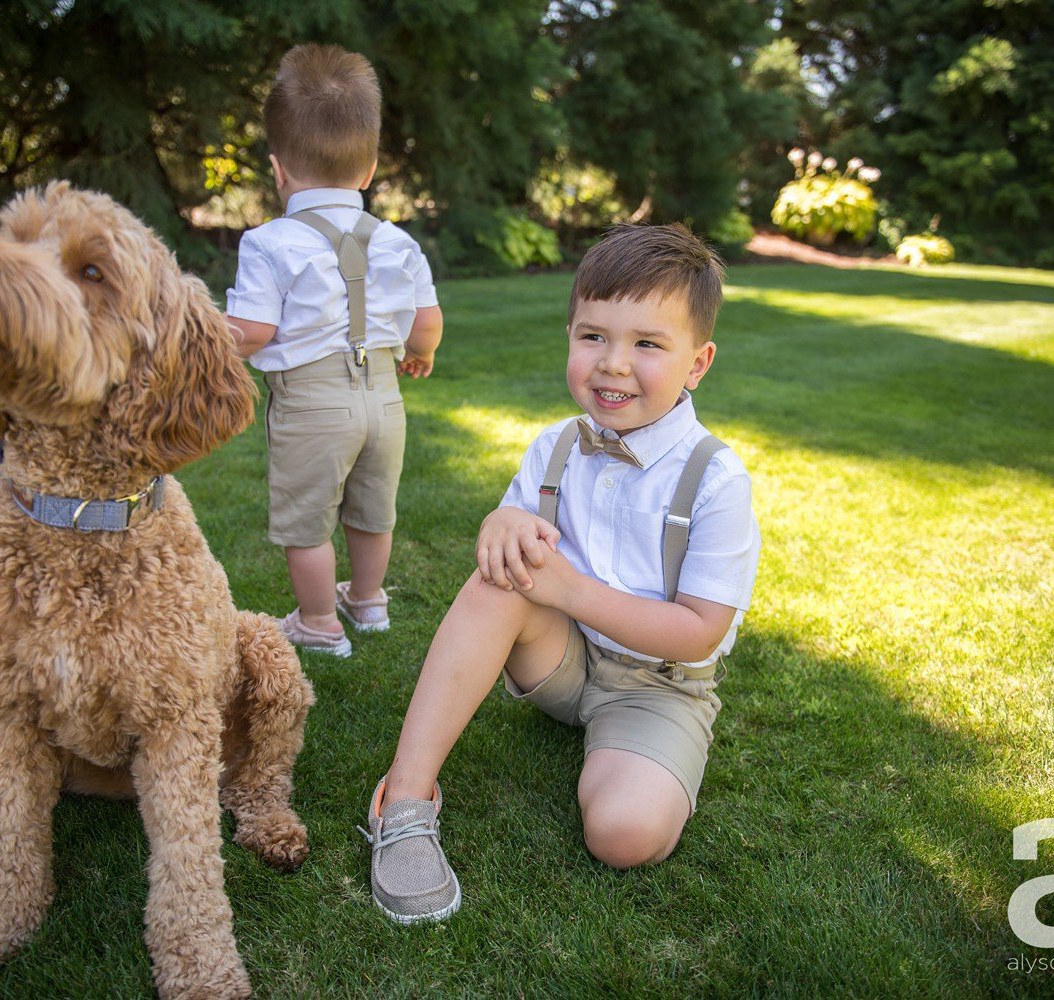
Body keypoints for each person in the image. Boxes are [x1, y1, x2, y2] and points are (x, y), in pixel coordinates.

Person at [360, 224, 759, 924]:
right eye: (592, 336)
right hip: (559, 660)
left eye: (646, 344)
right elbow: (509, 531)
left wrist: (571, 589)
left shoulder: (716, 480)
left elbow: (698, 633)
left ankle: (631, 760)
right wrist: (499, 524)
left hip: (657, 687)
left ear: (698, 363)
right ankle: (406, 802)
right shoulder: (555, 445)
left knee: (625, 835)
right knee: (501, 580)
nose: (612, 364)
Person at [227, 44, 443, 658]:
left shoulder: (270, 243)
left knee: (306, 520)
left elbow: (254, 332)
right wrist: (420, 353)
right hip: (385, 397)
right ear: (370, 169)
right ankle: (368, 602)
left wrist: (204, 332)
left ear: (278, 170)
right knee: (374, 510)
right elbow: (427, 320)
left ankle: (319, 622)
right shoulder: (399, 243)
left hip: (312, 405)